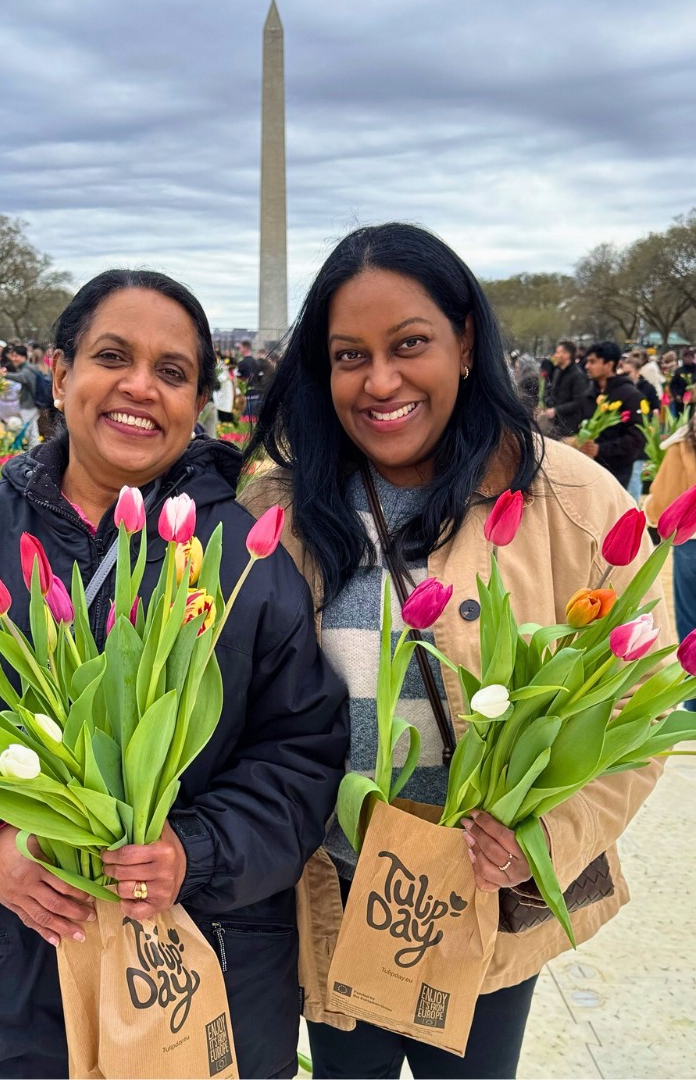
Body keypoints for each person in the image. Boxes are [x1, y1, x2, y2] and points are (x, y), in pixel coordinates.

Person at [0, 270, 348, 1080]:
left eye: (174, 372)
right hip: (26, 976)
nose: (140, 387)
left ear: (198, 400)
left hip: (209, 973)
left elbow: (303, 757)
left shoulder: (247, 564)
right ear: (61, 370)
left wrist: (195, 850)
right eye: (113, 356)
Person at [241, 223, 669, 1080]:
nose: (381, 381)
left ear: (465, 342)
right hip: (337, 891)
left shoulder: (569, 498)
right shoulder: (278, 512)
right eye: (349, 355)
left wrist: (543, 835)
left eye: (410, 345)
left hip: (482, 895)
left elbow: (637, 705)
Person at [645, 415, 696, 712]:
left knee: (692, 626)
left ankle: (693, 703)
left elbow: (664, 500)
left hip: (692, 543)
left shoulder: (684, 444)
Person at [579, 341, 643, 489]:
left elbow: (635, 439)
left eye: (593, 361)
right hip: (588, 470)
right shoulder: (588, 395)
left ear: (609, 364)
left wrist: (601, 449)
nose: (587, 366)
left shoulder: (630, 396)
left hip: (617, 474)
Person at [619, 351, 661, 502]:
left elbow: (656, 406)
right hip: (623, 434)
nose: (625, 375)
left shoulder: (647, 387)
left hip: (640, 433)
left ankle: (633, 505)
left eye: (628, 372)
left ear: (637, 371)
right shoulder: (620, 387)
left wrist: (650, 418)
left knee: (636, 473)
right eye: (624, 371)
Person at [541, 339, 588, 437]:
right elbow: (551, 392)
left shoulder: (578, 376)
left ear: (566, 354)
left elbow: (579, 402)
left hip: (569, 427)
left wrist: (556, 410)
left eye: (558, 352)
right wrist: (547, 403)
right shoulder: (557, 371)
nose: (555, 355)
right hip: (554, 424)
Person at [5, 343, 41, 448]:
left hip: (29, 405)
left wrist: (5, 375)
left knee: (30, 431)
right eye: (13, 356)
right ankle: (34, 451)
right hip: (31, 404)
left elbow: (22, 377)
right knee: (31, 430)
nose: (14, 358)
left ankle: (34, 452)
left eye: (17, 356)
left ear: (24, 357)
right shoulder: (28, 367)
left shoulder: (27, 369)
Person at [669, 347, 696, 417]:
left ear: (693, 358)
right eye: (686, 357)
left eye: (690, 357)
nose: (688, 359)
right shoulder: (679, 371)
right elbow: (672, 385)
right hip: (681, 400)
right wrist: (676, 395)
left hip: (693, 400)